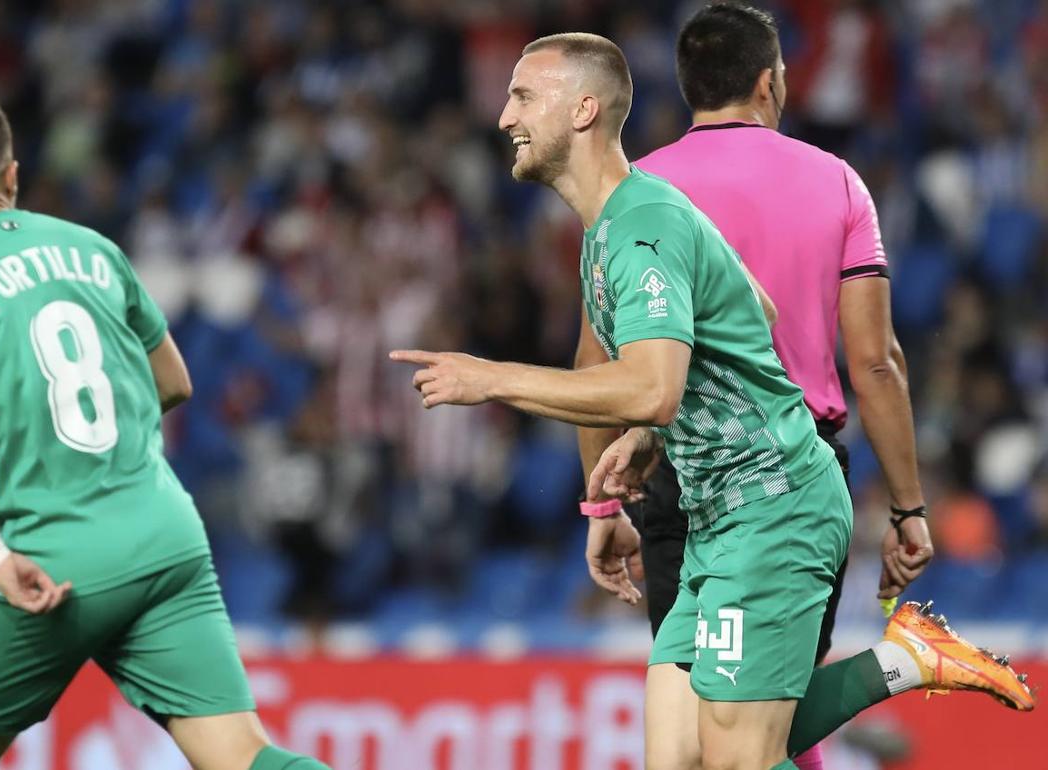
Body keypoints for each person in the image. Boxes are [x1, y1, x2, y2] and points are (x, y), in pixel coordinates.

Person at [391, 33, 1035, 770]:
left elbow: (654, 386)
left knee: (735, 761)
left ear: (584, 110)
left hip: (773, 503)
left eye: (523, 96)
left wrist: (493, 379)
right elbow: (753, 309)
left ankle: (900, 662)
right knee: (683, 758)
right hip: (711, 513)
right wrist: (648, 436)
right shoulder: (622, 222)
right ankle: (902, 661)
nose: (505, 115)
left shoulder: (643, 224)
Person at [0, 91, 328, 770]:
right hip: (165, 534)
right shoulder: (92, 247)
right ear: (12, 176)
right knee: (240, 754)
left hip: (53, 558)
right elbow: (175, 381)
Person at [602, 5, 928, 768]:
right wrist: (908, 506)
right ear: (770, 81)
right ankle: (900, 665)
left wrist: (605, 504)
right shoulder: (838, 183)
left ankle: (900, 667)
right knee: (727, 729)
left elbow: (603, 365)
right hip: (792, 468)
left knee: (728, 729)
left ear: (687, 87)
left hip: (678, 471)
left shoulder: (637, 194)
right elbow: (876, 361)